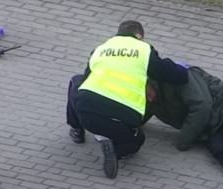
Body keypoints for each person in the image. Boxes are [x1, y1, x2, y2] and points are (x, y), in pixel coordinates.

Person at [66, 20, 187, 179]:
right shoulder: (144, 50)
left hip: (88, 113)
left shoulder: (101, 49)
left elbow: (86, 78)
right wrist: (182, 69)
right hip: (123, 117)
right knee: (136, 141)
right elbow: (174, 74)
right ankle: (116, 151)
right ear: (139, 36)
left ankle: (77, 130)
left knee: (75, 82)